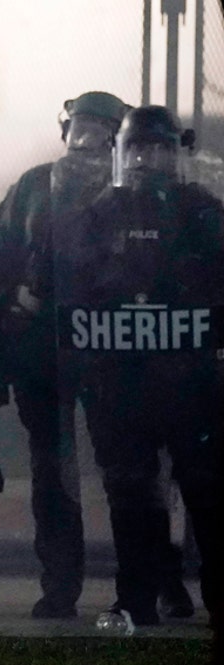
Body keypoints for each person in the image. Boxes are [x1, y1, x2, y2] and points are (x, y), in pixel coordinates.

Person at [0, 91, 192, 619]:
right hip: (49, 353)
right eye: (82, 127)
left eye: (102, 130)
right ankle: (63, 585)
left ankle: (156, 580)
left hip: (115, 353)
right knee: (59, 474)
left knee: (136, 475)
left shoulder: (139, 192)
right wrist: (3, 323)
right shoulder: (35, 187)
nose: (88, 139)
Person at [54, 105, 221, 630]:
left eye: (159, 149)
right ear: (121, 153)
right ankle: (137, 598)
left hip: (190, 385)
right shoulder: (95, 214)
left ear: (177, 154)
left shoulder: (201, 211)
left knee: (207, 490)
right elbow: (69, 289)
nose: (148, 160)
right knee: (130, 495)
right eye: (139, 150)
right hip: (121, 384)